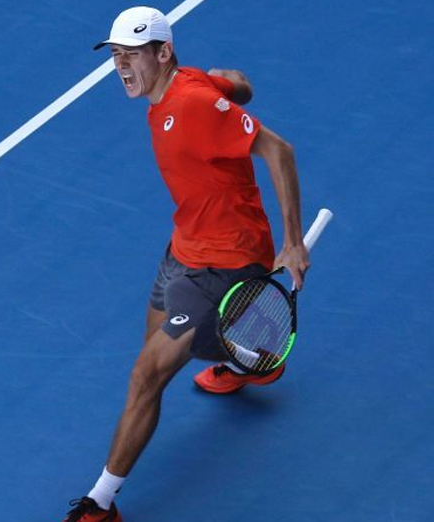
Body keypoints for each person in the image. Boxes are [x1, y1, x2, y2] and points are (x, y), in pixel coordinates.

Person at [60, 6, 310, 522]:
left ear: (163, 51)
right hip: (184, 245)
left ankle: (99, 504)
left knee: (146, 375)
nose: (122, 67)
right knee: (155, 348)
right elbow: (238, 84)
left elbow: (279, 151)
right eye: (116, 57)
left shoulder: (193, 103)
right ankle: (251, 357)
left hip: (227, 259)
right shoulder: (190, 87)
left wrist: (293, 243)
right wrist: (232, 87)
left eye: (132, 56)